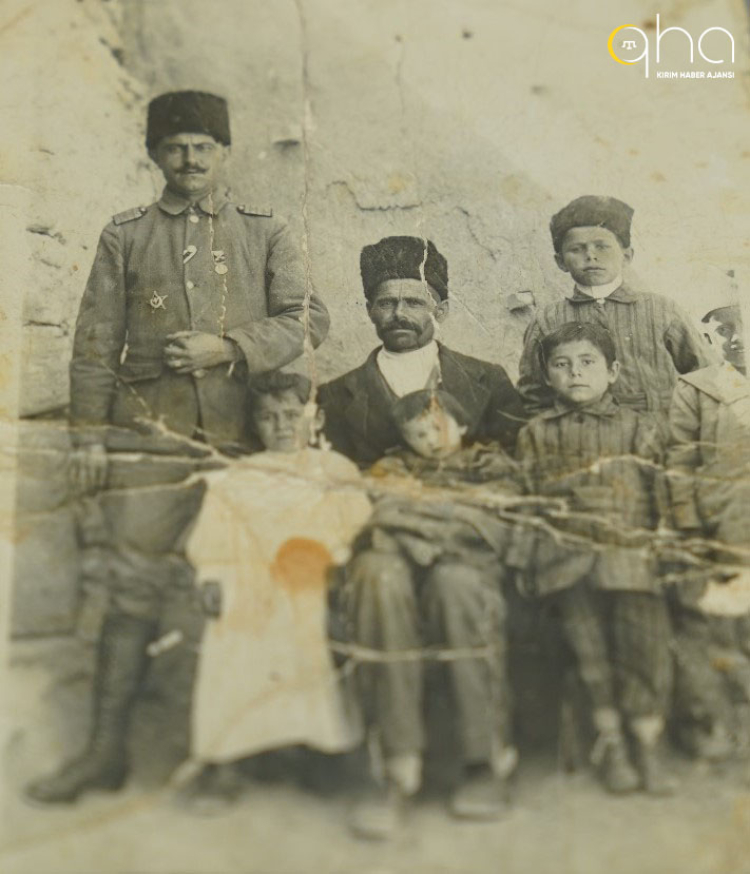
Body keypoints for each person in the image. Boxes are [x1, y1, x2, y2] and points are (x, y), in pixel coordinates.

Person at [25, 90, 330, 805]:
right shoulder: (125, 235)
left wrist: (229, 347)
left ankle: (231, 755)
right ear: (154, 155)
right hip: (149, 440)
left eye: (203, 146)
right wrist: (90, 437)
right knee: (129, 593)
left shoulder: (265, 230)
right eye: (175, 147)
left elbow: (307, 318)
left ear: (225, 153)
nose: (190, 159)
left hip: (239, 445)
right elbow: (94, 343)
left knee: (239, 593)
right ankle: (104, 754)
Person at [181, 372, 371, 811]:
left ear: (315, 418)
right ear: (255, 424)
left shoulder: (335, 470)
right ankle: (225, 756)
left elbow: (357, 526)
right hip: (250, 579)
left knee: (306, 629)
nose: (282, 426)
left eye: (291, 415)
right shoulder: (239, 475)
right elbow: (215, 533)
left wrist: (333, 561)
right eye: (268, 417)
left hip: (314, 576)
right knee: (230, 627)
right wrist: (211, 575)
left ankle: (320, 747)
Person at [343, 388, 524, 840]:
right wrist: (433, 525)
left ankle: (483, 760)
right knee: (376, 575)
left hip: (464, 568)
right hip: (403, 566)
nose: (431, 440)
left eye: (439, 428)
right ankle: (397, 767)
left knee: (455, 583)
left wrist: (422, 528)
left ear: (462, 425)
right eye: (418, 433)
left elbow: (491, 518)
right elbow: (380, 514)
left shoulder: (489, 465)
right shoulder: (392, 468)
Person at [517, 322, 675, 796]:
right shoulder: (537, 433)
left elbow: (663, 496)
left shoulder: (639, 427)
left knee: (643, 648)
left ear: (613, 371)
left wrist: (665, 551)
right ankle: (612, 743)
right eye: (561, 365)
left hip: (631, 559)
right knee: (589, 654)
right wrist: (525, 560)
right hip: (564, 560)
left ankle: (647, 742)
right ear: (547, 376)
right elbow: (526, 501)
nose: (575, 374)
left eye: (588, 363)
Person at [318, 236, 525, 467]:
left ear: (441, 312)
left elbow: (518, 461)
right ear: (370, 311)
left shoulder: (490, 380)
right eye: (386, 303)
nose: (399, 314)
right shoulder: (334, 396)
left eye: (414, 303)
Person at [517, 195, 714, 417]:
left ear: (626, 256)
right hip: (580, 434)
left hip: (661, 431)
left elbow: (709, 376)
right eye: (577, 249)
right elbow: (533, 397)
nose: (591, 256)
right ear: (560, 261)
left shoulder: (661, 310)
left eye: (602, 246)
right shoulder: (547, 320)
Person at [666, 302, 750, 759]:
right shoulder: (698, 389)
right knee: (720, 626)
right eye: (725, 331)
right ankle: (722, 720)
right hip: (721, 524)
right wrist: (688, 522)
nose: (738, 339)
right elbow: (680, 460)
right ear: (709, 340)